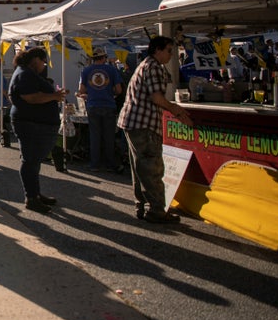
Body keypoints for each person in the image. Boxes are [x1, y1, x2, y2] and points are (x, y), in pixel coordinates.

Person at [118, 35, 194, 224]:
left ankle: (142, 206)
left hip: (133, 122)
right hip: (144, 124)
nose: (171, 55)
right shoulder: (154, 67)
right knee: (151, 167)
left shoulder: (144, 65)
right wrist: (176, 110)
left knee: (140, 167)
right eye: (169, 50)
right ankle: (157, 210)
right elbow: (157, 98)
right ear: (157, 50)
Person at [9, 46, 66, 214]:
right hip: (30, 123)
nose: (44, 65)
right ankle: (31, 197)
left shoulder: (26, 72)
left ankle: (35, 193)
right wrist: (54, 96)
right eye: (43, 61)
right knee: (30, 160)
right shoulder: (24, 74)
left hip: (34, 122)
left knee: (33, 161)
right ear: (36, 60)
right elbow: (31, 97)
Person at [77, 47, 124, 172]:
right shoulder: (112, 70)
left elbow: (82, 90)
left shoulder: (86, 71)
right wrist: (109, 92)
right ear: (104, 58)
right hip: (109, 105)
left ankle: (94, 164)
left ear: (93, 59)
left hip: (93, 105)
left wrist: (92, 92)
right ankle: (110, 163)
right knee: (109, 136)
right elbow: (119, 90)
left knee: (95, 135)